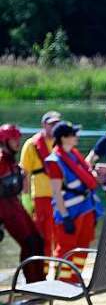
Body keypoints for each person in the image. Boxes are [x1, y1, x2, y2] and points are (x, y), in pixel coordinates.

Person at [44, 122, 99, 282]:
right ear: (64, 138)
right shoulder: (54, 160)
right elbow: (56, 192)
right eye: (73, 134)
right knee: (66, 248)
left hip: (86, 208)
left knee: (83, 246)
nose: (77, 137)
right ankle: (62, 281)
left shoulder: (74, 155)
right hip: (69, 212)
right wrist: (65, 216)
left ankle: (75, 279)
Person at [0, 124, 45, 282]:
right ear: (5, 141)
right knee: (30, 242)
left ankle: (39, 282)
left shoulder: (13, 163)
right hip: (4, 208)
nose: (18, 142)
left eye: (18, 139)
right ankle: (32, 284)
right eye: (14, 139)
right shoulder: (1, 161)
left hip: (14, 205)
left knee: (37, 241)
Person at [20, 111, 62, 263]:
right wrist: (26, 200)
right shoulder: (31, 145)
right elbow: (24, 174)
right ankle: (41, 272)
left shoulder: (63, 143)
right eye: (51, 124)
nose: (54, 127)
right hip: (40, 198)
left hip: (61, 198)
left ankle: (59, 270)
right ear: (44, 125)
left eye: (57, 124)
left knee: (61, 236)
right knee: (42, 237)